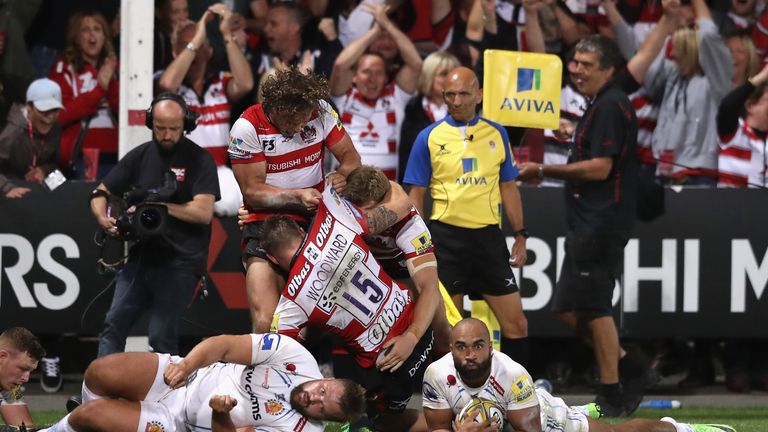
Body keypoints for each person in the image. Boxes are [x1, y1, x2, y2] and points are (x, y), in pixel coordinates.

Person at [517, 36, 639, 416]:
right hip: (590, 221)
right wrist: (572, 137)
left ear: (608, 69)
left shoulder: (610, 103)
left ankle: (613, 391)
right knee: (569, 308)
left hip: (600, 220)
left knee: (594, 308)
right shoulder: (599, 105)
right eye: (574, 62)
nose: (576, 69)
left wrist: (543, 168)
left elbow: (600, 168)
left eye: (587, 64)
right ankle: (632, 367)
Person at [262, 182, 438, 432]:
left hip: (389, 367)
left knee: (382, 423)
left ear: (272, 258)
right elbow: (393, 198)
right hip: (421, 329)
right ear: (300, 232)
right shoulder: (332, 215)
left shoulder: (290, 302)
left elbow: (277, 355)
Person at [403, 66, 530, 367]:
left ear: (479, 94)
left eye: (463, 93)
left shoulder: (496, 133)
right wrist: (415, 244)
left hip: (487, 239)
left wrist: (521, 234)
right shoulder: (428, 137)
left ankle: (513, 393)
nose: (456, 100)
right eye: (450, 94)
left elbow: (509, 187)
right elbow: (416, 195)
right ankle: (455, 401)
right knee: (450, 333)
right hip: (447, 240)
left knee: (517, 325)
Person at [422, 318, 737, 432]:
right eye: (462, 348)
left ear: (490, 347)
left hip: (544, 420)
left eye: (478, 346)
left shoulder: (512, 374)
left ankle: (677, 428)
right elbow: (436, 428)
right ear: (450, 349)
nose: (470, 355)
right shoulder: (436, 375)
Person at [228, 66, 361, 333]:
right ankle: (268, 372)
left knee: (318, 319)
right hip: (264, 222)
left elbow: (352, 160)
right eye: (293, 122)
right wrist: (297, 196)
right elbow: (252, 191)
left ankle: (319, 371)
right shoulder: (247, 127)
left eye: (304, 119)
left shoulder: (321, 111)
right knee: (266, 321)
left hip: (316, 218)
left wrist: (339, 178)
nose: (300, 126)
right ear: (274, 108)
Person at [89, 92, 219, 357]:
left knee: (161, 336)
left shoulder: (199, 160)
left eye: (174, 128)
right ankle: (101, 392)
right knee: (113, 324)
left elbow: (204, 212)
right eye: (160, 128)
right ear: (150, 123)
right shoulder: (140, 156)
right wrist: (103, 217)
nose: (167, 134)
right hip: (142, 257)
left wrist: (160, 209)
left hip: (182, 260)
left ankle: (165, 397)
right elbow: (99, 192)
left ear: (186, 125)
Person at [38, 333, 366, 432]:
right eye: (322, 391)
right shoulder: (297, 358)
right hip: (187, 377)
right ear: (328, 378)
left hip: (179, 424)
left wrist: (221, 414)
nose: (313, 399)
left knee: (88, 417)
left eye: (322, 409)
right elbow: (224, 344)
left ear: (328, 422)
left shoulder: (301, 431)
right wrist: (188, 366)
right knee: (99, 372)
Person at [157, 3, 253, 217]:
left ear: (209, 51)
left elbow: (245, 84)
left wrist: (226, 34)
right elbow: (166, 85)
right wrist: (197, 38)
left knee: (238, 201)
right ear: (175, 52)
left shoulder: (220, 82)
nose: (194, 51)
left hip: (219, 173)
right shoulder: (170, 85)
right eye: (187, 45)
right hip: (181, 173)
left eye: (201, 46)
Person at [330, 2, 423, 180]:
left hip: (386, 189)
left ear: (386, 77)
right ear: (354, 76)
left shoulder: (396, 96)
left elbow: (416, 64)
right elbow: (341, 64)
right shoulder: (344, 97)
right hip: (346, 185)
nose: (372, 79)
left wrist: (387, 25)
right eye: (366, 72)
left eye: (378, 73)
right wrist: (375, 31)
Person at [49, 10, 119, 180]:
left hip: (118, 154)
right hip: (80, 155)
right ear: (76, 37)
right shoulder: (64, 66)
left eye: (97, 29)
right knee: (84, 205)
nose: (92, 34)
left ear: (105, 36)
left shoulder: (117, 67)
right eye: (85, 29)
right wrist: (99, 89)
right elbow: (60, 114)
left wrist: (110, 83)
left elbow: (127, 110)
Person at [398, 51, 461, 183]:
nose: (451, 79)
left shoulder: (465, 110)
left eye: (453, 74)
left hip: (456, 187)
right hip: (418, 186)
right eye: (444, 74)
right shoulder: (411, 107)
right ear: (428, 76)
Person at [0, 78, 62, 199]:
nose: (50, 117)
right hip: (9, 197)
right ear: (29, 106)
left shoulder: (56, 128)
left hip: (40, 195)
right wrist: (7, 188)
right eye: (44, 110)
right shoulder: (12, 132)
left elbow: (60, 168)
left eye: (55, 110)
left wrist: (44, 170)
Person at [0, 328, 45, 429]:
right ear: (2, 357)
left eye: (30, 371)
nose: (26, 378)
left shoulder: (11, 386)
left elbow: (25, 427)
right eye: (22, 369)